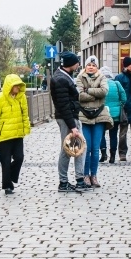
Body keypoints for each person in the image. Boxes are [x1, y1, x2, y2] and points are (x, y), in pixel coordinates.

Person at [49, 52, 89, 192]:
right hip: (68, 118)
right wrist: (73, 126)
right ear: (71, 64)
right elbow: (63, 105)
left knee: (78, 147)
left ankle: (78, 180)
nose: (79, 64)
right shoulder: (61, 79)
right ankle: (64, 182)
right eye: (77, 62)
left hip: (71, 117)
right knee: (68, 149)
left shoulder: (64, 76)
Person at [0, 74, 31, 195]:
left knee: (19, 157)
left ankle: (9, 176)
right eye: (15, 85)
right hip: (4, 136)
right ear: (9, 86)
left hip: (17, 134)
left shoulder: (21, 97)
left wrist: (26, 128)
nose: (17, 87)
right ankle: (7, 186)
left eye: (19, 85)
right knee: (5, 161)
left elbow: (24, 114)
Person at [76, 55, 112, 187]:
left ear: (97, 67)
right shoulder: (80, 77)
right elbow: (79, 95)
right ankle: (85, 175)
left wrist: (88, 90)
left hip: (99, 115)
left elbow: (104, 91)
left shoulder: (102, 77)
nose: (91, 67)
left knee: (96, 149)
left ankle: (94, 175)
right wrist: (93, 97)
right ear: (85, 66)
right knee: (86, 148)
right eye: (89, 65)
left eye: (94, 65)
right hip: (84, 116)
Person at [98, 66, 126, 164]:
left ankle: (103, 154)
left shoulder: (99, 84)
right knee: (113, 135)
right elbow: (124, 98)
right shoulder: (116, 84)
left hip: (102, 113)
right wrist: (119, 105)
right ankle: (113, 156)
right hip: (115, 114)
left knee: (101, 135)